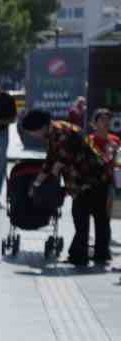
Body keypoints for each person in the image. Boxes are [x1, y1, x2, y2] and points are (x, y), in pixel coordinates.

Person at [22, 109, 110, 267]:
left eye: (32, 132)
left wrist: (47, 186)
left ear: (40, 127)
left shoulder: (63, 132)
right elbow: (50, 161)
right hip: (83, 179)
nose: (32, 135)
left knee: (87, 216)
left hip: (93, 177)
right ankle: (97, 255)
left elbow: (60, 161)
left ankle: (81, 256)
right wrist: (36, 183)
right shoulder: (53, 133)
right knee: (93, 217)